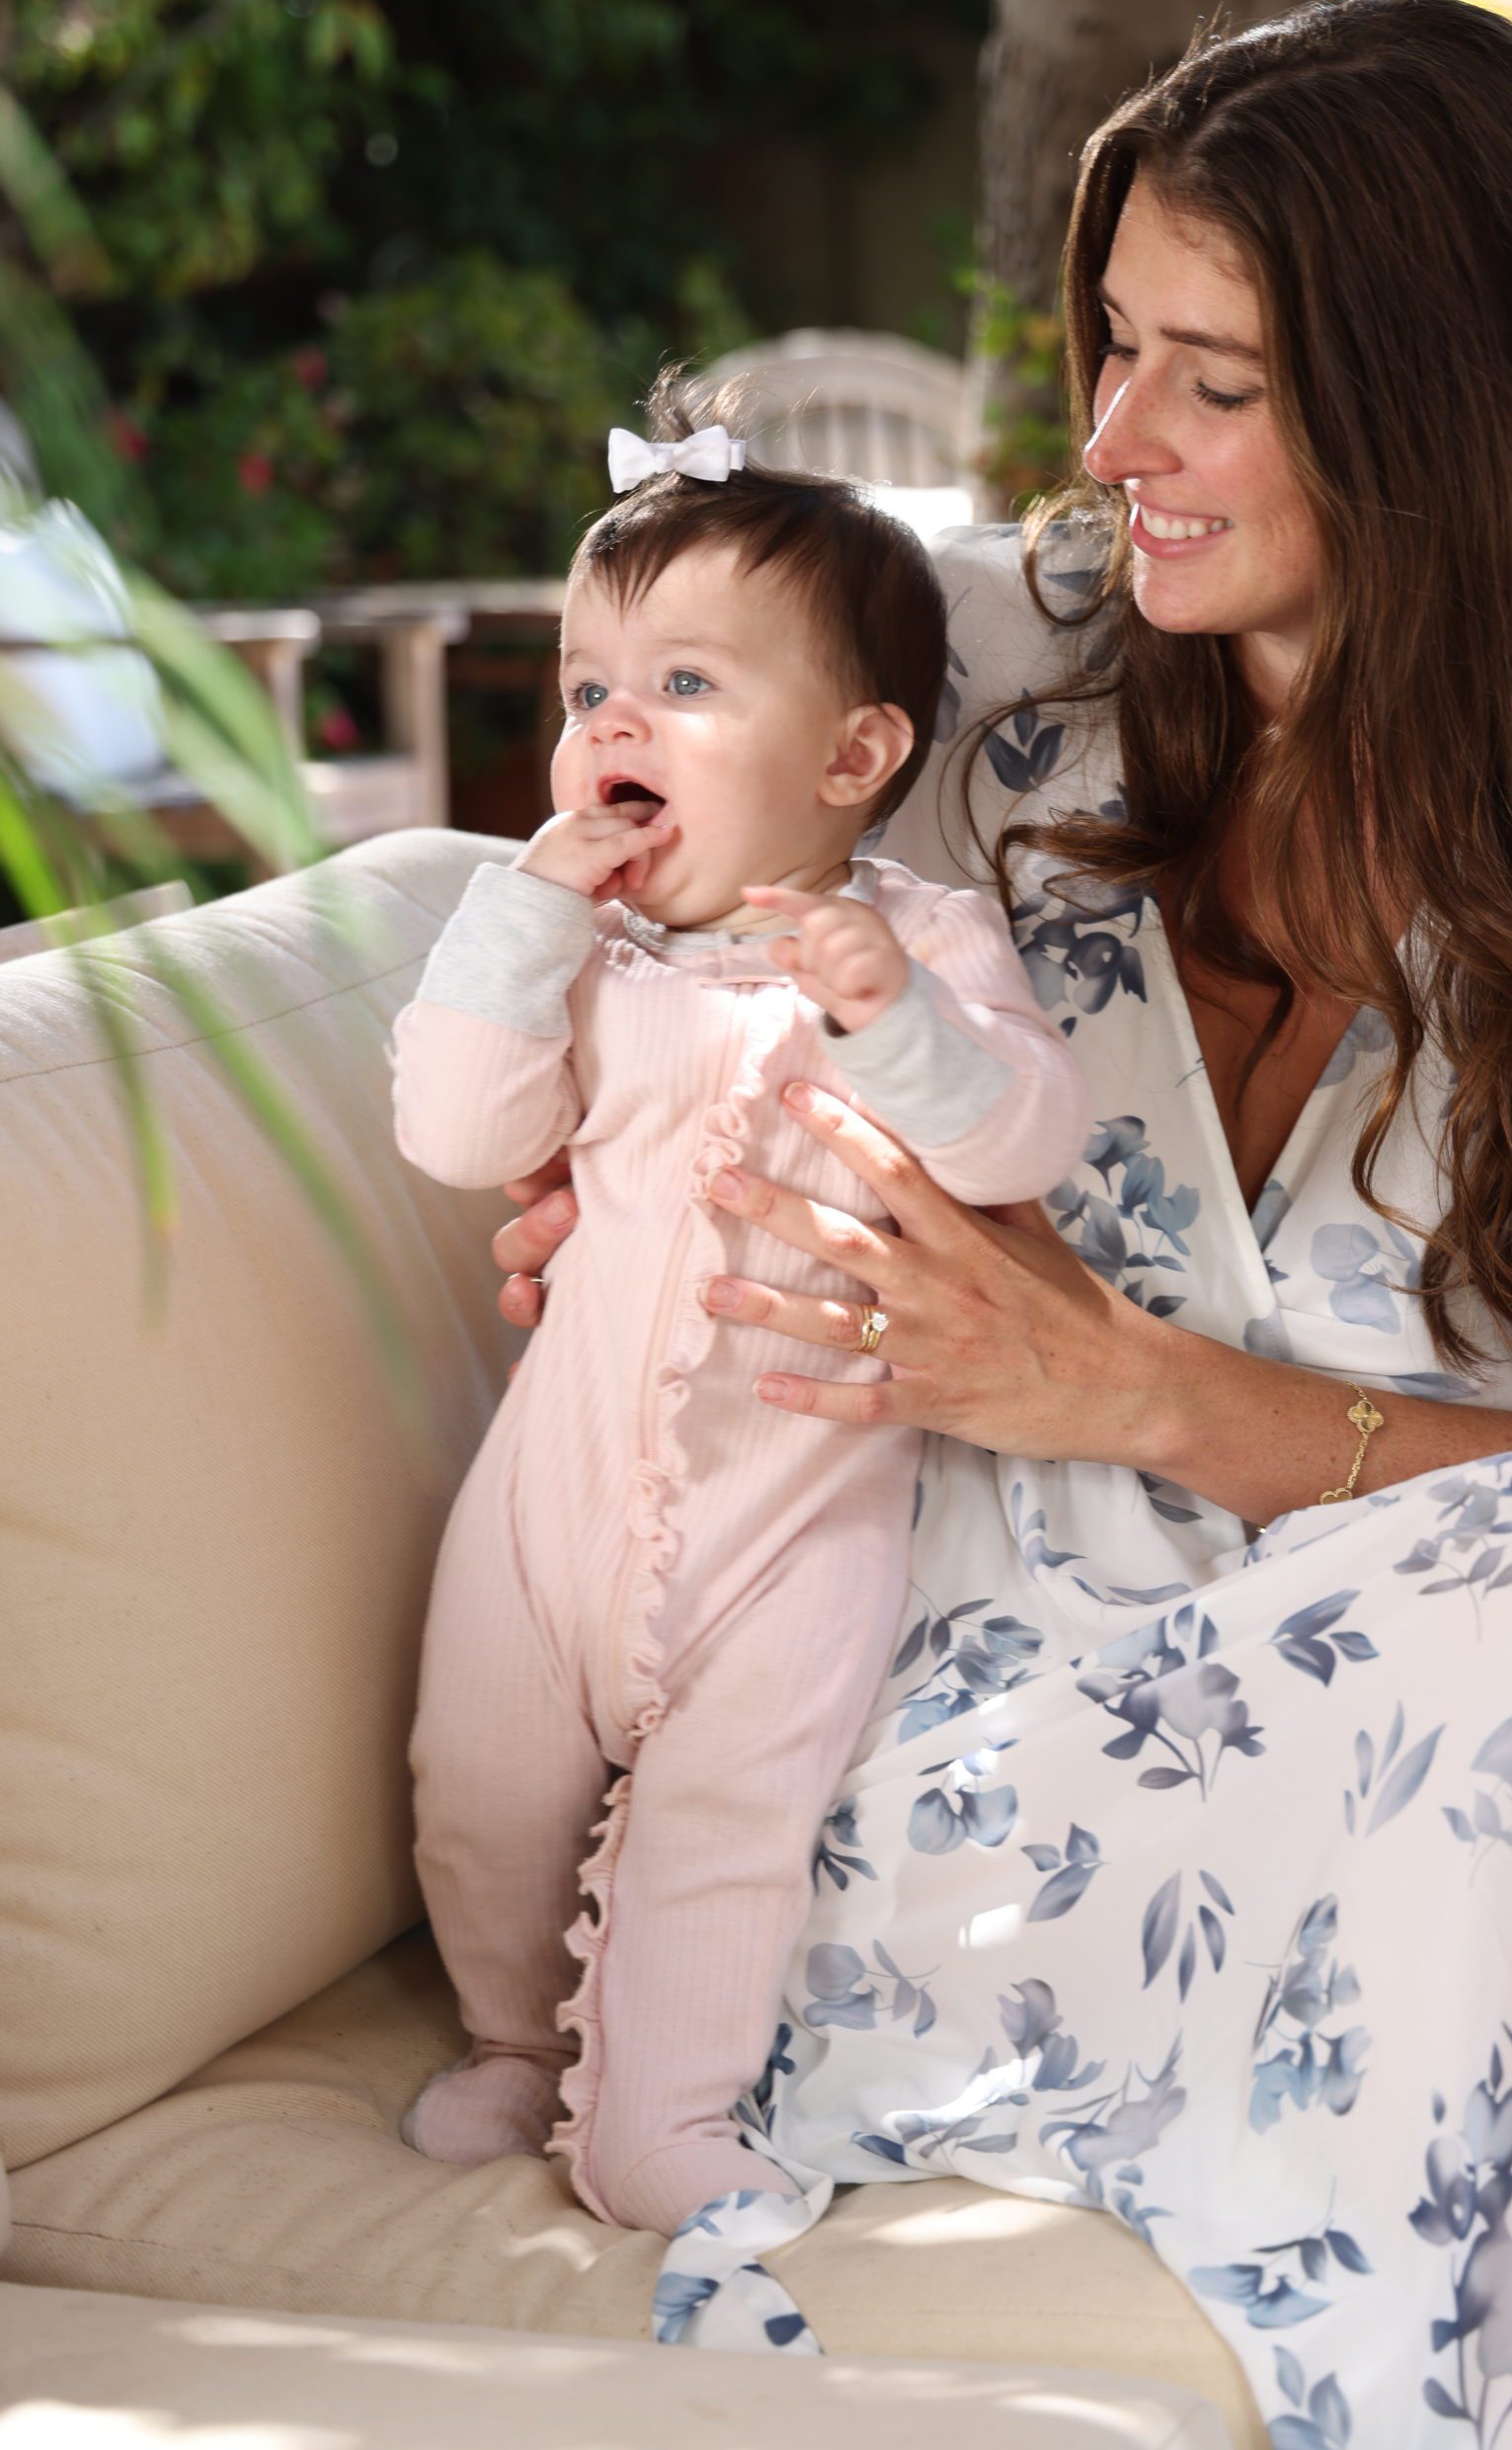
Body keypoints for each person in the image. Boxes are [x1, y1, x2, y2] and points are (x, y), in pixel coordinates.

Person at [484, 0, 1512, 2440]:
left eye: (1213, 380)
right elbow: (646, 753)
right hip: (954, 1777)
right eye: (1116, 342)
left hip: (1459, 1786)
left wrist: (1146, 1392)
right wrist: (585, 1103)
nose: (1116, 436)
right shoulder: (992, 673)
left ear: (1449, 414)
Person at [387, 414, 1090, 2241]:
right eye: (587, 686)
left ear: (854, 754)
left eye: (685, 684)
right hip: (547, 1499)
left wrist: (888, 1020)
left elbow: (1018, 1138)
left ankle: (664, 2116)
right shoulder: (582, 956)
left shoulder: (918, 944)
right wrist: (521, 916)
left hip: (801, 1513)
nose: (613, 724)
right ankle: (511, 2038)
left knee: (730, 1821)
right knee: (483, 1780)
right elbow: (455, 1130)